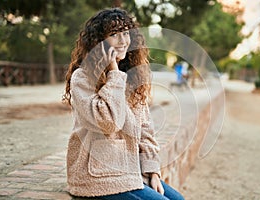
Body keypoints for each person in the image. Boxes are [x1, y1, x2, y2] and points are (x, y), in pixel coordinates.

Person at [63, 8, 184, 200]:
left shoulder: (133, 76)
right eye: (114, 34)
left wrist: (152, 171)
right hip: (97, 175)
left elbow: (146, 130)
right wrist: (114, 74)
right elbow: (109, 123)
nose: (123, 41)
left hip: (130, 170)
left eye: (126, 33)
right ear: (98, 41)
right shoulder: (82, 77)